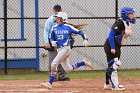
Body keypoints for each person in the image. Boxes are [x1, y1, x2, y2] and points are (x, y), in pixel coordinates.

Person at [41, 12, 93, 89]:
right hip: (60, 50)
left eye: (58, 18)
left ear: (63, 19)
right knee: (68, 69)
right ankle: (83, 62)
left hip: (66, 49)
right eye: (57, 18)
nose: (56, 19)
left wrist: (85, 39)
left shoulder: (68, 27)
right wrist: (52, 42)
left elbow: (80, 32)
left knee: (53, 64)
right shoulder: (54, 27)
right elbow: (51, 37)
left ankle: (50, 83)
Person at [104, 7, 136, 91]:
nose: (133, 15)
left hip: (116, 45)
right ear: (125, 15)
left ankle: (107, 84)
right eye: (131, 14)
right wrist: (113, 47)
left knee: (111, 65)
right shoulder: (119, 23)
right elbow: (111, 35)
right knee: (116, 64)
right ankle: (115, 86)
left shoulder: (126, 23)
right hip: (111, 45)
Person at [44, 4, 70, 81]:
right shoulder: (50, 20)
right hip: (52, 41)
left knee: (62, 59)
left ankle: (61, 76)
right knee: (52, 59)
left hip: (61, 42)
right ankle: (53, 77)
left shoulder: (63, 19)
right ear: (54, 11)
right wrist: (47, 42)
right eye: (56, 10)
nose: (58, 12)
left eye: (59, 10)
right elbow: (46, 31)